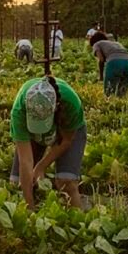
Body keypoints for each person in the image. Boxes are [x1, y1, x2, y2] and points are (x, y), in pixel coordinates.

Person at [9, 77, 86, 209]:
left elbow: (67, 141)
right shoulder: (19, 111)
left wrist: (41, 166)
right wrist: (29, 207)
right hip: (32, 132)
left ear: (55, 107)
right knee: (17, 185)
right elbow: (25, 161)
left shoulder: (71, 103)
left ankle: (78, 224)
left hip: (65, 128)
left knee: (66, 182)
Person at [89, 32, 128, 96]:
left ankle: (108, 104)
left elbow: (101, 59)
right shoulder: (117, 43)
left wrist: (101, 76)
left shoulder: (96, 44)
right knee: (122, 92)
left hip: (114, 62)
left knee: (108, 91)